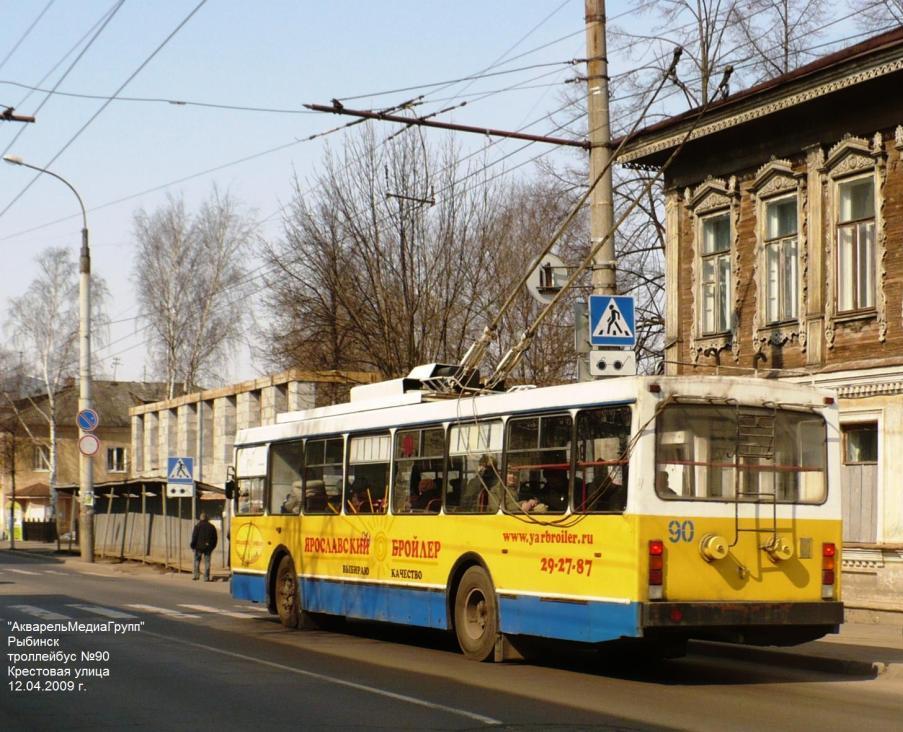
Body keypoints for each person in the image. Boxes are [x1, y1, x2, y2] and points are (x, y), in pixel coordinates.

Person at [190, 512, 218, 582]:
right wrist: (212, 547)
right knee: (207, 562)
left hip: (198, 547)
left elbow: (194, 537)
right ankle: (206, 577)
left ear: (200, 518)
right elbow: (215, 538)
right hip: (208, 548)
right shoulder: (212, 527)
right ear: (207, 518)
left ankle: (196, 576)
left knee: (197, 561)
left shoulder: (197, 526)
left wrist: (192, 546)